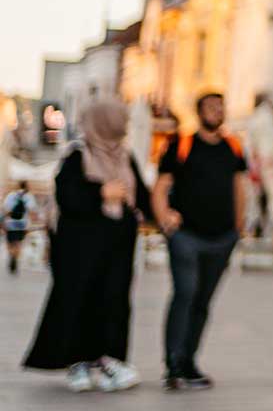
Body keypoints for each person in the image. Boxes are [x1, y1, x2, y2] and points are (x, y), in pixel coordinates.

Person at [21, 101, 150, 392]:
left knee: (114, 301)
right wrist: (101, 191)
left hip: (116, 249)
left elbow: (141, 196)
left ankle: (108, 360)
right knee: (79, 300)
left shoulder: (125, 156)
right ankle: (77, 362)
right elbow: (68, 196)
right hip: (79, 250)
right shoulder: (78, 156)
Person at [152, 91, 248, 391]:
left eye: (221, 106)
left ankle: (190, 361)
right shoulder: (181, 144)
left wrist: (239, 227)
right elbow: (161, 185)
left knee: (203, 301)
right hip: (186, 237)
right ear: (199, 111)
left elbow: (239, 185)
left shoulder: (232, 146)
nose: (217, 111)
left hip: (222, 237)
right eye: (210, 107)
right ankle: (173, 363)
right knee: (185, 293)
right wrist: (164, 216)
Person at [4, 180, 35, 274]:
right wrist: (30, 225)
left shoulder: (11, 195)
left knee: (10, 243)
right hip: (22, 224)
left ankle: (11, 255)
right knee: (18, 243)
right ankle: (15, 257)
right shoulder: (29, 196)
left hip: (11, 223)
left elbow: (6, 210)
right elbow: (31, 212)